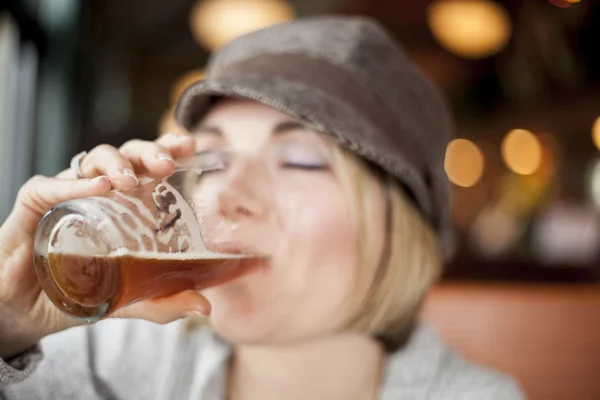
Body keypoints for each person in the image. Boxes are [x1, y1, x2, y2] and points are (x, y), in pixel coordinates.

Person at [0, 16, 525, 400]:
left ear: (399, 228)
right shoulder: (104, 361)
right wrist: (6, 320)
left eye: (298, 159)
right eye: (213, 158)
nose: (226, 194)